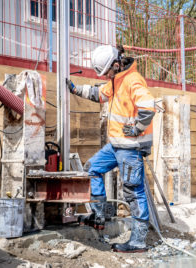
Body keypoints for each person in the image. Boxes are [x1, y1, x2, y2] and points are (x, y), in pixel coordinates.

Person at [67, 44, 155, 253]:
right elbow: (99, 94)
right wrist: (75, 89)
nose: (106, 76)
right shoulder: (117, 80)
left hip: (131, 147)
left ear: (116, 64)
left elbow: (148, 106)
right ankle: (99, 214)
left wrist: (136, 128)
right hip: (116, 145)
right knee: (92, 168)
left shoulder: (133, 80)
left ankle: (138, 241)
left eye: (107, 72)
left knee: (133, 191)